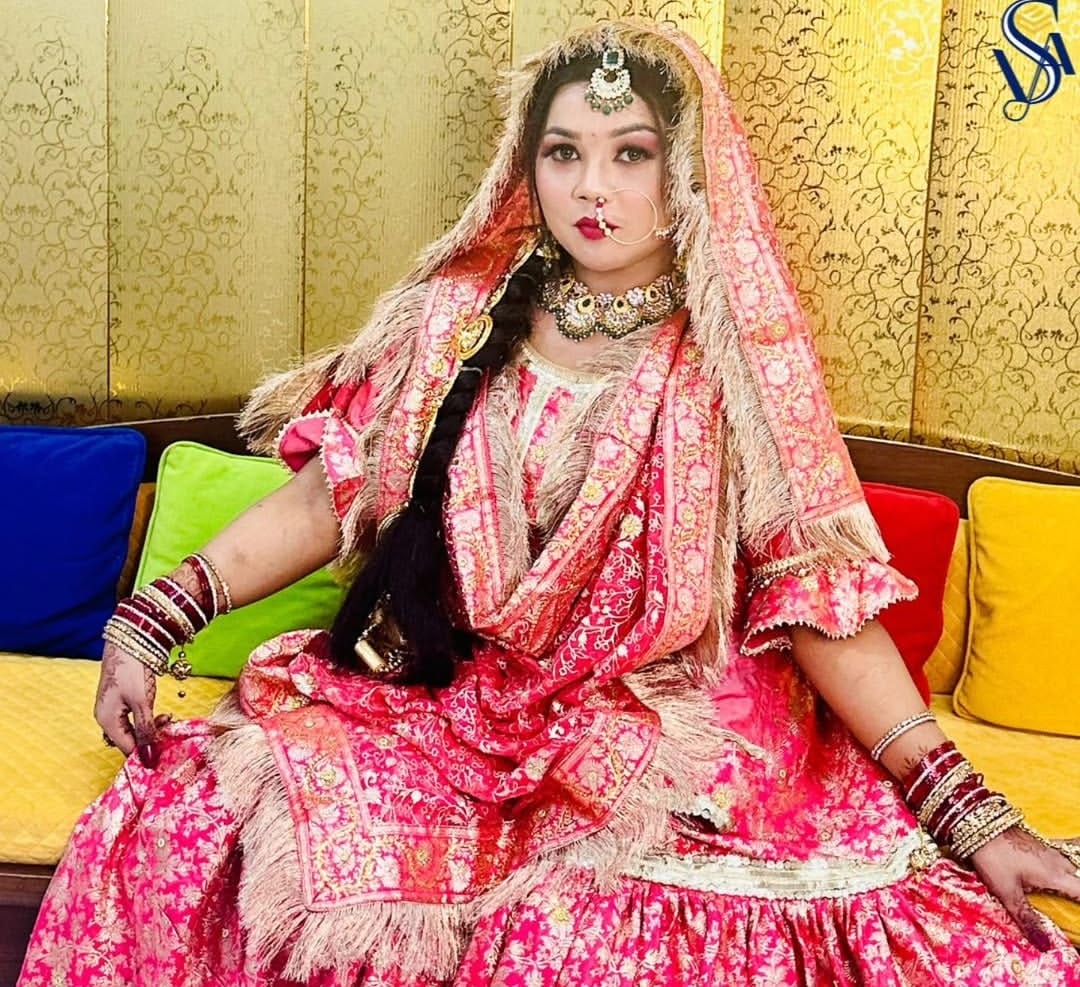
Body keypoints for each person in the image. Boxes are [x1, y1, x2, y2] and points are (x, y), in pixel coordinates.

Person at [18, 20, 1080, 987]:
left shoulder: (736, 370)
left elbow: (816, 603)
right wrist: (147, 624)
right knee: (185, 819)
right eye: (564, 152)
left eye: (631, 153)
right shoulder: (450, 324)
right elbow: (326, 502)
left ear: (688, 170)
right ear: (525, 169)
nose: (592, 187)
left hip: (658, 726)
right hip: (458, 705)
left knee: (592, 940)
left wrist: (966, 809)